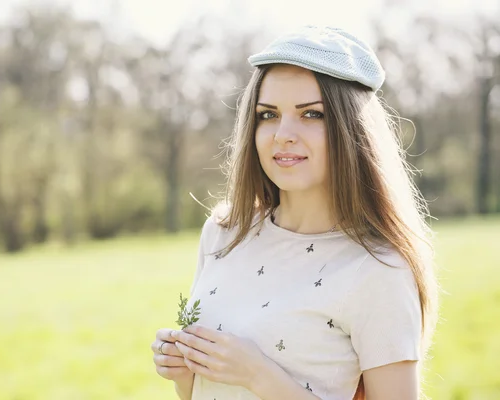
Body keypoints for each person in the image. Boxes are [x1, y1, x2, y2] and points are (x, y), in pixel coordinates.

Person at [151, 25, 438, 400]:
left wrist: (259, 376)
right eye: (268, 115)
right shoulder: (224, 232)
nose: (282, 133)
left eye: (312, 115)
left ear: (352, 130)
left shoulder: (378, 268)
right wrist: (184, 373)